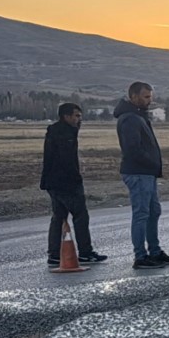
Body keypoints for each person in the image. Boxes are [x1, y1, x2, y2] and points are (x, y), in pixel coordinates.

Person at [115, 82, 169, 269]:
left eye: (150, 96)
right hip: (138, 172)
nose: (149, 100)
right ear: (133, 96)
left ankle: (155, 251)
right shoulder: (130, 119)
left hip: (146, 173)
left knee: (153, 212)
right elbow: (132, 149)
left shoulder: (138, 116)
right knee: (142, 214)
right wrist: (151, 162)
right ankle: (140, 257)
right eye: (146, 97)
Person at [40, 102, 107, 266]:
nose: (79, 119)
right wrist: (76, 178)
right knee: (80, 216)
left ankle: (54, 254)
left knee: (58, 217)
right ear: (66, 116)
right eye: (76, 116)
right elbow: (66, 160)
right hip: (66, 183)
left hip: (53, 182)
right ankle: (85, 252)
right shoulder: (66, 134)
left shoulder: (55, 131)